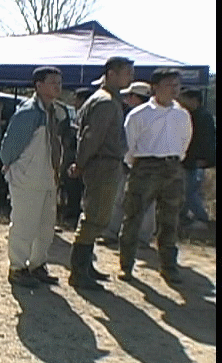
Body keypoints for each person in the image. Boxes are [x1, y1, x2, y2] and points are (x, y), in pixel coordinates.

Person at [118, 68, 192, 284]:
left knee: (170, 219)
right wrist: (137, 164)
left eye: (177, 85)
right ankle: (126, 265)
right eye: (169, 84)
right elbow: (128, 145)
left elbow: (185, 142)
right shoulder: (139, 114)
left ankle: (169, 266)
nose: (174, 89)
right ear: (155, 87)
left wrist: (175, 160)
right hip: (145, 167)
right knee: (133, 217)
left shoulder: (182, 114)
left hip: (173, 168)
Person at [67, 56, 134, 289]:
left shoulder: (109, 99)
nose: (131, 77)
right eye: (127, 73)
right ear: (111, 74)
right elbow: (91, 137)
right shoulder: (105, 102)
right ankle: (79, 271)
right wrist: (80, 164)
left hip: (106, 163)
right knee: (94, 216)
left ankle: (86, 266)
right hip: (102, 164)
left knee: (99, 216)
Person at [0, 67, 66, 288]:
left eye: (59, 82)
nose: (57, 86)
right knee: (24, 225)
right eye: (52, 82)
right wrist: (9, 164)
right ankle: (17, 267)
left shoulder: (55, 112)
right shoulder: (28, 112)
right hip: (27, 177)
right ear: (38, 85)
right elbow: (10, 145)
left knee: (45, 227)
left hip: (48, 177)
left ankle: (37, 265)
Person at [98, 81, 156, 247]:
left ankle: (134, 236)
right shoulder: (131, 113)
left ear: (137, 97)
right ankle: (120, 234)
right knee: (123, 199)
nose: (127, 99)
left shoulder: (139, 115)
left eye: (130, 95)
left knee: (141, 202)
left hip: (140, 162)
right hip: (133, 162)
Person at [178, 87, 216, 230]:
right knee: (186, 190)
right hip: (190, 160)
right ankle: (183, 217)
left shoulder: (202, 117)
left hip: (196, 161)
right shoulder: (193, 115)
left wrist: (205, 159)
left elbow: (205, 142)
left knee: (189, 192)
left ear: (194, 100)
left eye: (184, 99)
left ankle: (202, 218)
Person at [58, 87, 91, 223]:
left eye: (77, 99)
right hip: (70, 154)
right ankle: (71, 210)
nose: (74, 102)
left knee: (78, 186)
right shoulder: (74, 114)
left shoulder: (89, 114)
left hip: (81, 154)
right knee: (70, 185)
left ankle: (76, 213)